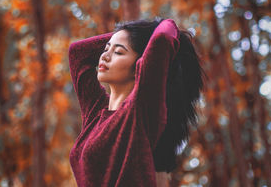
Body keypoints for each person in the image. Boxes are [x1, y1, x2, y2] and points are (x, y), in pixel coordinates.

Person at [68, 18, 205, 187]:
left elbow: (162, 36)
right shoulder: (95, 112)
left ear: (139, 66)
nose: (105, 56)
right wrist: (122, 37)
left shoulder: (140, 109)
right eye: (106, 49)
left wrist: (141, 38)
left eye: (118, 52)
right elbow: (77, 52)